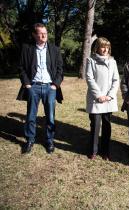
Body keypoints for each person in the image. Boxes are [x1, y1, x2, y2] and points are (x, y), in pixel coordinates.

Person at [16, 23, 64, 154]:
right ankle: (30, 140)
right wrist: (27, 84)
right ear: (34, 35)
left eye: (46, 33)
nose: (44, 36)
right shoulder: (27, 49)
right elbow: (21, 68)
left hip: (50, 87)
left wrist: (55, 85)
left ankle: (49, 140)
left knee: (50, 116)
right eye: (41, 33)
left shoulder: (54, 49)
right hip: (34, 87)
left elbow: (60, 69)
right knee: (31, 116)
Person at [85, 37, 119, 160]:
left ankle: (105, 151)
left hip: (108, 100)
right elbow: (89, 78)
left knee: (107, 125)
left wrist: (109, 96)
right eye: (102, 46)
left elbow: (116, 80)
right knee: (95, 125)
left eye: (107, 47)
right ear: (97, 48)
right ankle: (93, 150)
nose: (105, 49)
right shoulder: (91, 60)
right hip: (96, 99)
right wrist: (99, 96)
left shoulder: (113, 62)